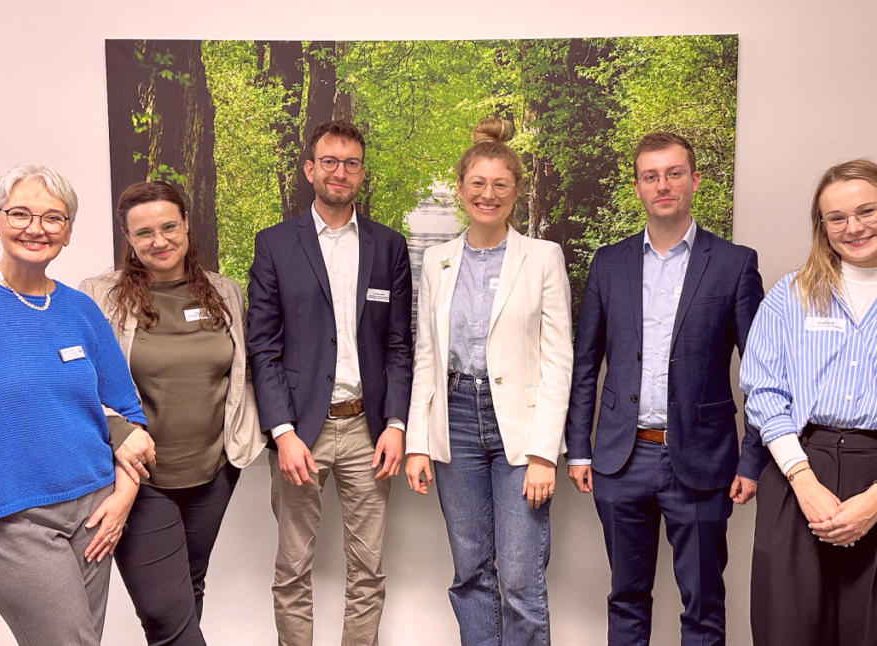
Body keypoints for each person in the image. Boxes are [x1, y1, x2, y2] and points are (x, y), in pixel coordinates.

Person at [0, 164, 145, 646]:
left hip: (94, 507)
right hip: (11, 518)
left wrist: (123, 497)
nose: (36, 228)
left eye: (53, 218)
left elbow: (130, 412)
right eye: (20, 213)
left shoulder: (81, 309)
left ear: (67, 233)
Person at [564, 132, 769, 646]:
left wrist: (752, 460)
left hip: (701, 461)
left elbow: (762, 371)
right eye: (651, 176)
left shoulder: (734, 263)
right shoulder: (609, 263)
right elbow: (585, 364)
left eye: (674, 173)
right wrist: (579, 450)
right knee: (625, 598)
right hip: (620, 458)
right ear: (637, 187)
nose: (663, 185)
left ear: (694, 181)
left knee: (702, 604)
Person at [740, 159, 877, 646]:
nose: (853, 227)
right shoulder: (788, 297)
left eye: (866, 210)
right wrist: (804, 483)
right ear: (822, 226)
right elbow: (765, 391)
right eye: (836, 217)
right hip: (796, 476)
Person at [404, 118, 573, 646]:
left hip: (520, 431)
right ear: (460, 188)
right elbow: (426, 357)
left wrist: (545, 453)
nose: (488, 194)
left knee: (521, 578)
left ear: (516, 192)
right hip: (453, 420)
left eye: (501, 184)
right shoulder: (438, 260)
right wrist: (416, 442)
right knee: (471, 571)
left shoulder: (542, 257)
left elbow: (558, 358)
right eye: (477, 183)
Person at [246, 120, 413, 646]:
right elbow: (263, 347)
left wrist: (396, 423)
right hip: (301, 433)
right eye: (330, 162)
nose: (341, 172)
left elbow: (399, 346)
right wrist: (282, 431)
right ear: (310, 169)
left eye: (352, 163)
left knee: (368, 571)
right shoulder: (274, 245)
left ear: (363, 173)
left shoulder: (389, 247)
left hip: (368, 430)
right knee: (293, 568)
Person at [79, 180, 265, 646]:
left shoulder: (225, 292)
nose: (159, 241)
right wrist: (121, 433)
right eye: (144, 233)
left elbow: (241, 372)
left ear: (186, 225)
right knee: (166, 614)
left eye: (168, 227)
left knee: (186, 591)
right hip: (139, 478)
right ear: (128, 238)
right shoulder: (100, 295)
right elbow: (81, 384)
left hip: (213, 473)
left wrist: (244, 439)